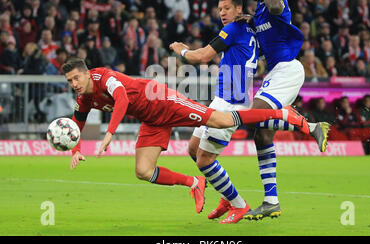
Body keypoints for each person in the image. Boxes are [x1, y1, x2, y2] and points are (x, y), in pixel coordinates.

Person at [62, 58, 310, 214]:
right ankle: (194, 183)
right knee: (143, 171)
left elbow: (122, 99)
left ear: (86, 73)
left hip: (161, 100)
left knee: (220, 119)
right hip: (151, 119)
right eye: (69, 80)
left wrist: (110, 132)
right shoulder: (83, 98)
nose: (74, 83)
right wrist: (75, 150)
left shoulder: (105, 77)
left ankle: (282, 114)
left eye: (76, 77)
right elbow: (77, 125)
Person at [240, 0, 330, 221]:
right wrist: (248, 21)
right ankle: (271, 201)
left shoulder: (278, 1)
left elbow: (276, 9)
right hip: (275, 73)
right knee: (261, 134)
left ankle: (312, 127)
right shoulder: (258, 11)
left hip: (289, 69)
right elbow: (262, 26)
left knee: (254, 115)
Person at [169, 0, 258, 223]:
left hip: (232, 103)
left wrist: (182, 50)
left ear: (239, 9)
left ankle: (239, 205)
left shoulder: (234, 29)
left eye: (227, 8)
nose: (222, 13)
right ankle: (225, 196)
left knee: (204, 160)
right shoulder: (251, 29)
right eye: (219, 9)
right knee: (193, 148)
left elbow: (203, 56)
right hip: (222, 99)